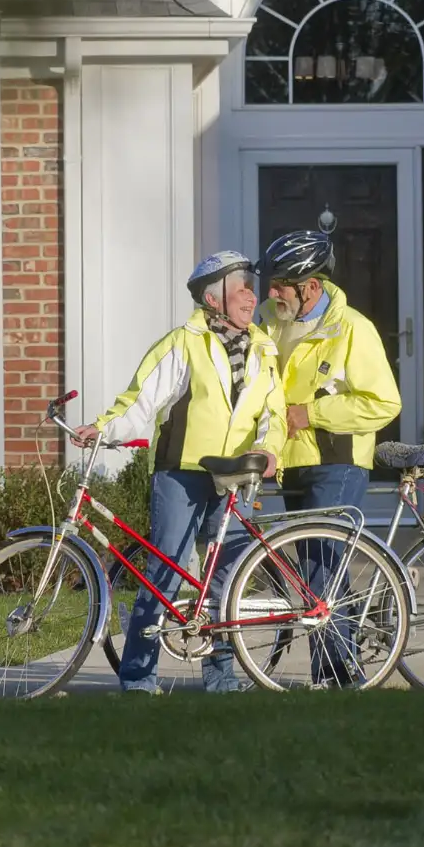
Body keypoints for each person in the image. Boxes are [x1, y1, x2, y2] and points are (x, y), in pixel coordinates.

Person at [74, 251, 284, 694]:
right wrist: (102, 428)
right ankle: (138, 678)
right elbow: (140, 400)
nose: (252, 295)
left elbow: (274, 412)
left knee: (226, 579)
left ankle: (221, 678)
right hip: (182, 473)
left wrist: (268, 448)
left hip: (236, 477)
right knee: (164, 572)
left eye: (250, 286)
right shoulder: (182, 343)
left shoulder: (264, 348)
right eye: (240, 287)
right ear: (213, 298)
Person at [258, 230, 402, 686]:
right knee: (315, 568)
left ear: (312, 288)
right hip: (288, 460)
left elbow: (384, 403)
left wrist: (312, 412)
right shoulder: (269, 319)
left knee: (321, 564)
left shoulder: (354, 329)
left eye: (281, 283)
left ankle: (337, 673)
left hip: (338, 461)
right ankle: (351, 634)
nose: (271, 292)